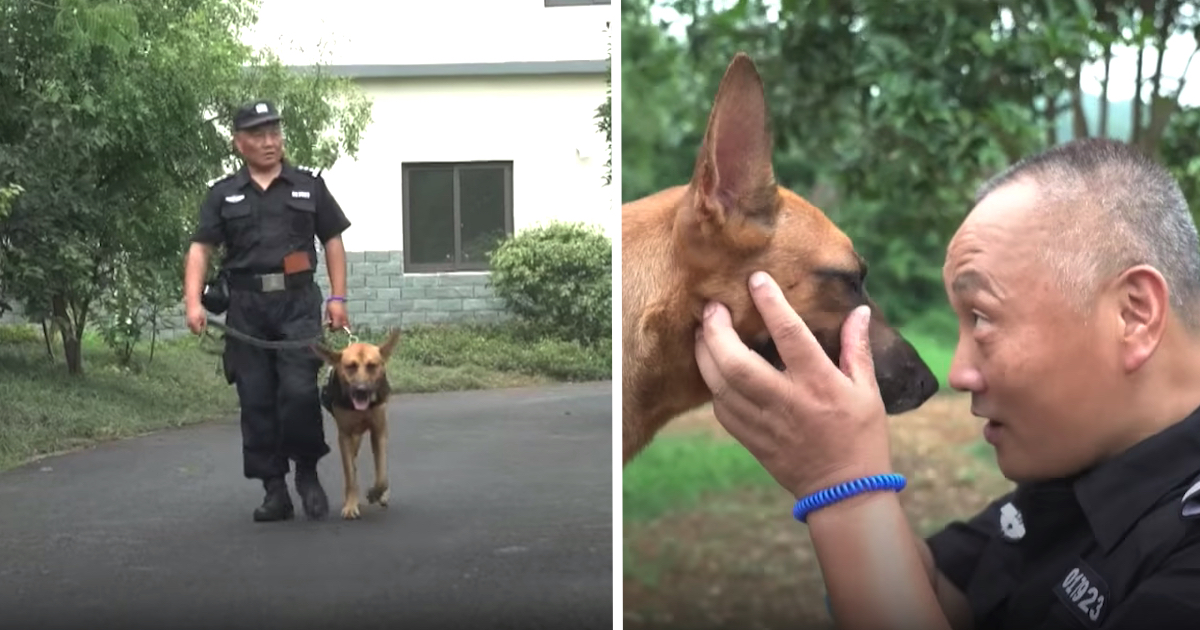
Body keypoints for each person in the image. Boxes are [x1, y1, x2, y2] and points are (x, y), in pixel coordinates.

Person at [693, 137, 1200, 630]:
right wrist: (827, 452)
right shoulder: (1069, 484)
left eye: (981, 317)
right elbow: (946, 595)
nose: (957, 374)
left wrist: (844, 489)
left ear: (1133, 314)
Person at [183, 100, 352, 523]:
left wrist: (338, 298)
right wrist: (192, 302)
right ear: (239, 143)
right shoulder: (223, 194)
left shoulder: (308, 186)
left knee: (298, 392)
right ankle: (274, 490)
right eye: (258, 135)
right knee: (256, 399)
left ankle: (308, 473)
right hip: (247, 310)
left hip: (297, 304)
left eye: (274, 132)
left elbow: (332, 241)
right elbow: (201, 248)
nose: (269, 141)